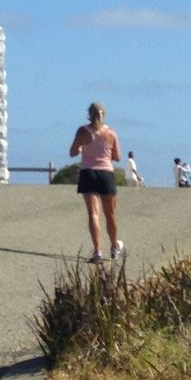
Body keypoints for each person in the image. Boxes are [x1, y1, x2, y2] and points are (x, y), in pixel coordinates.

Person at [68, 101, 124, 264]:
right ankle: (114, 247)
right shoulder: (111, 133)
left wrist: (81, 149)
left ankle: (98, 251)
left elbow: (72, 152)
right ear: (103, 115)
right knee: (110, 213)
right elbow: (117, 157)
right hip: (106, 173)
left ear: (88, 114)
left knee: (93, 213)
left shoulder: (82, 131)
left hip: (88, 173)